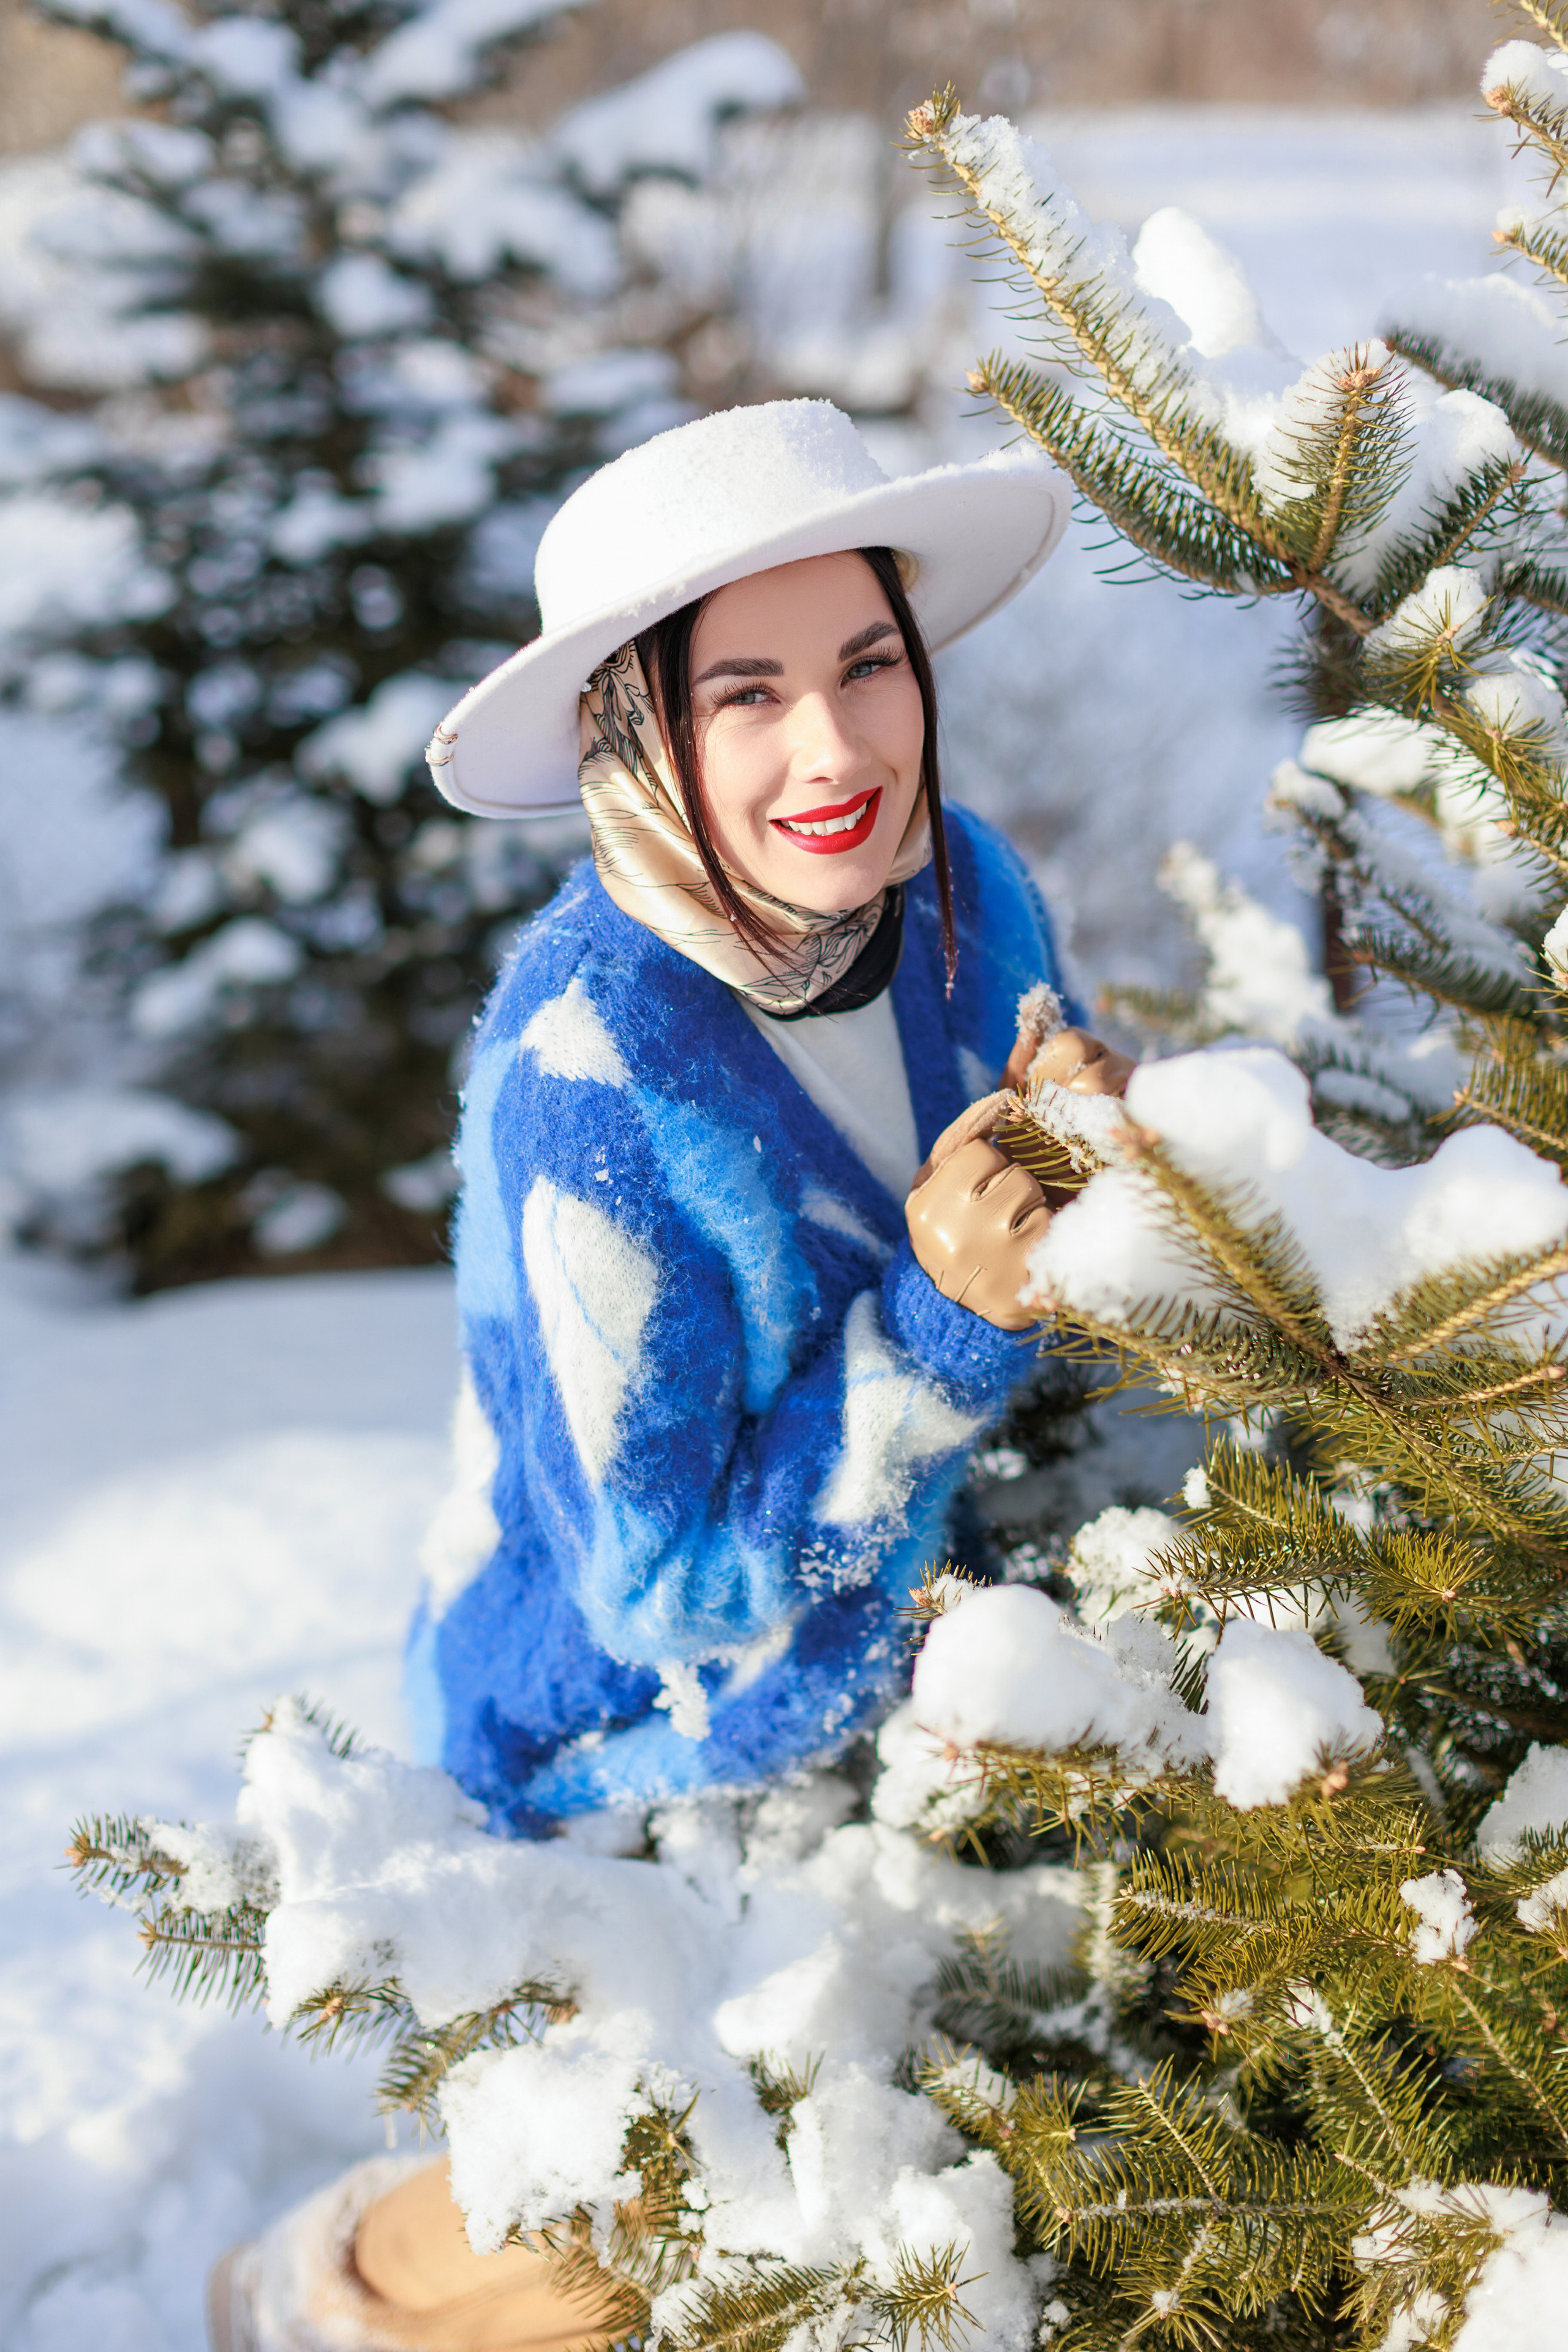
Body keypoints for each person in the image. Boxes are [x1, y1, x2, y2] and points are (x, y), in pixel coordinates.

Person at [208, 399, 1134, 2352]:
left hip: (920, 1629)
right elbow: (664, 1588)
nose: (839, 750)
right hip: (638, 1743)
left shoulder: (963, 891)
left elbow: (1020, 1172)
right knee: (683, 2195)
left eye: (870, 663)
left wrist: (1091, 1152)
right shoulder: (598, 1080)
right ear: (637, 734)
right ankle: (332, 2281)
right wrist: (944, 1321)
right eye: (748, 697)